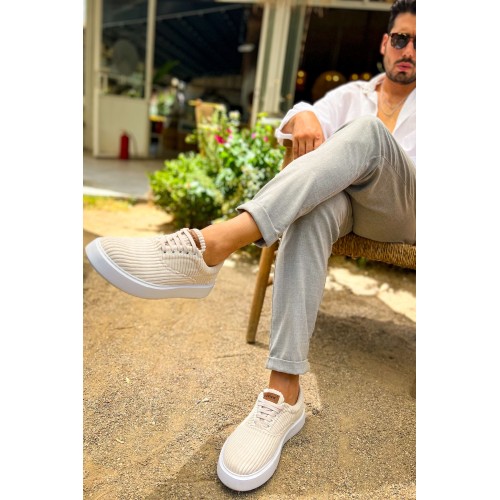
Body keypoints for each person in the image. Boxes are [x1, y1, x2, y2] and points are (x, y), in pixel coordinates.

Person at [85, 0, 416, 492]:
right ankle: (283, 395)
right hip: (350, 208)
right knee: (312, 209)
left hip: (409, 211)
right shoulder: (353, 94)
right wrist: (305, 112)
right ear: (385, 43)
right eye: (402, 38)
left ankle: (211, 246)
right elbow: (297, 118)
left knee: (367, 133)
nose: (409, 50)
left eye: (422, 44)